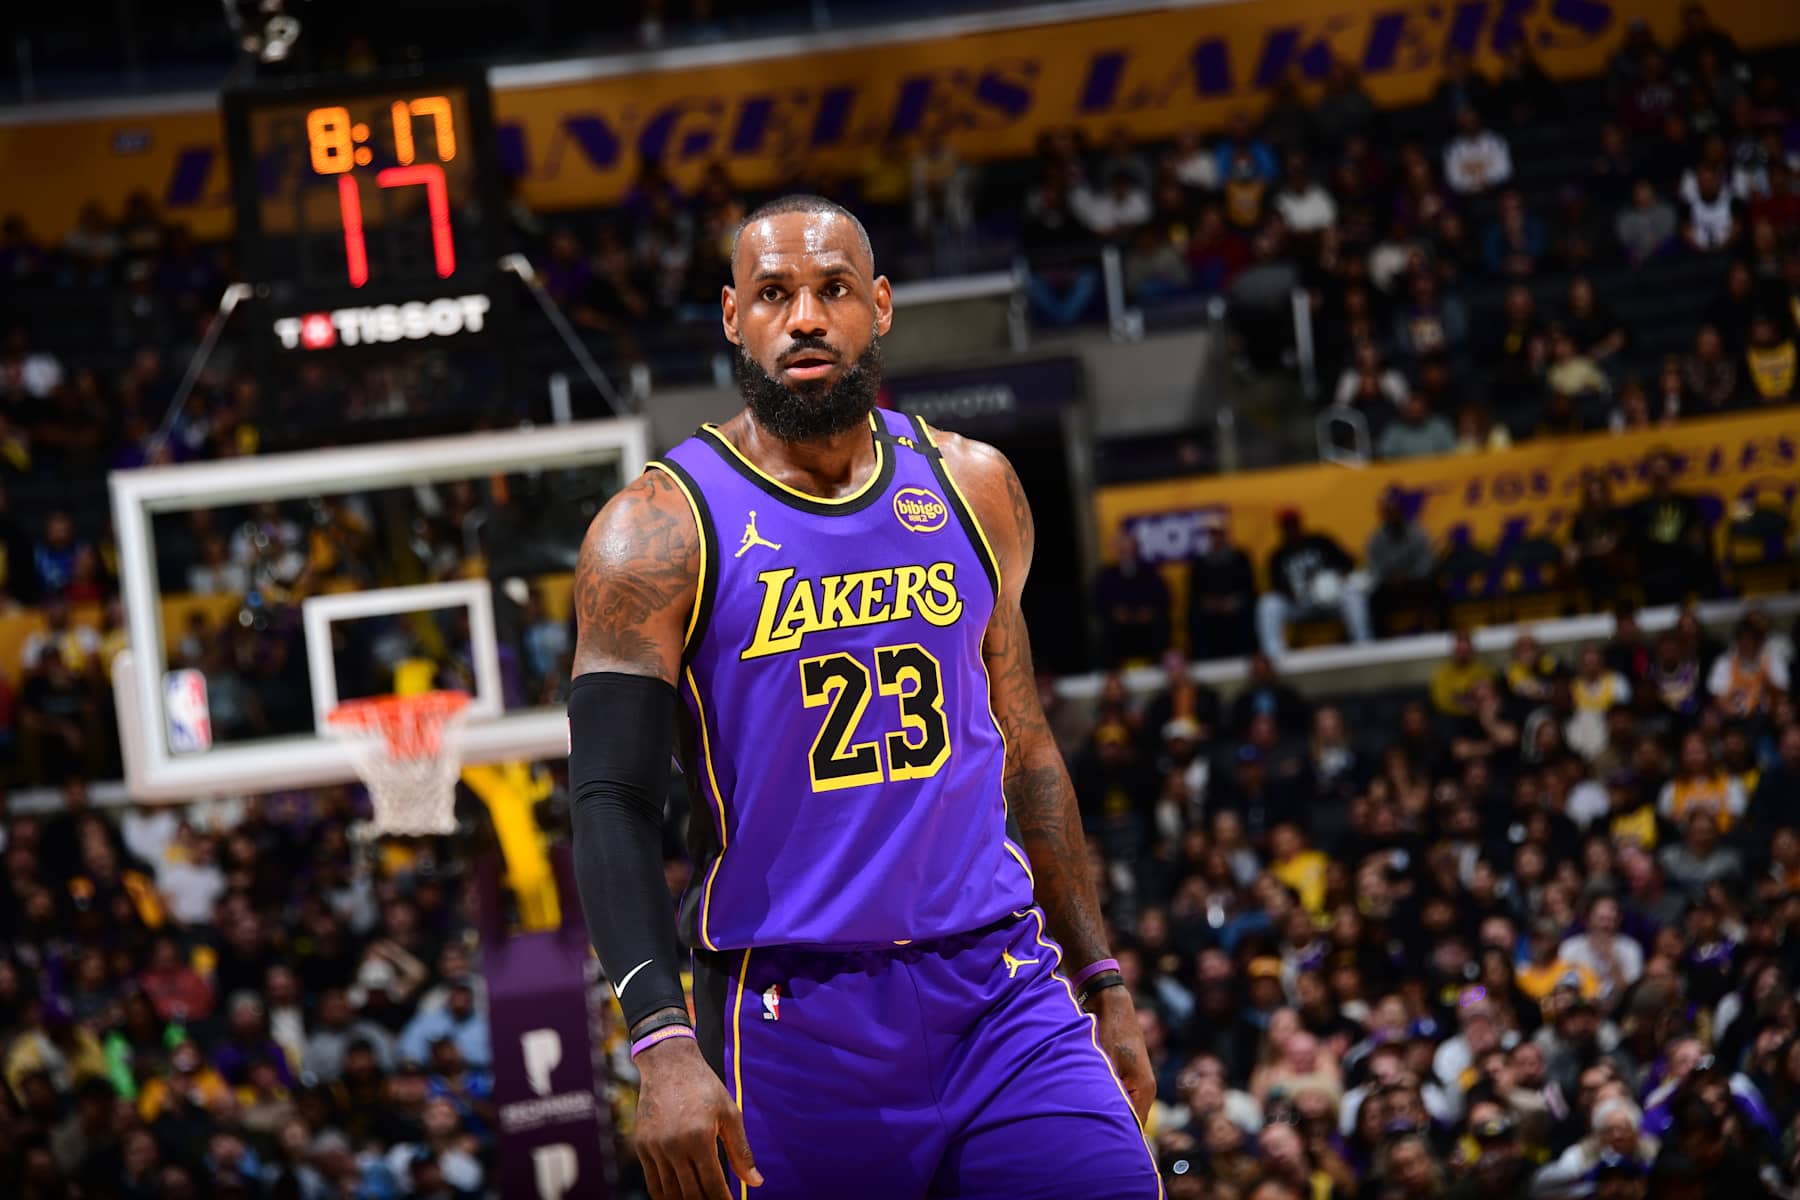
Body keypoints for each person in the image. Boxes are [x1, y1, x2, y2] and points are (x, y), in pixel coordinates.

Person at [567, 195, 1157, 1199]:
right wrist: (660, 1043)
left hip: (999, 991)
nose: (805, 316)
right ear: (731, 317)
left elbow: (1025, 749)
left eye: (833, 289)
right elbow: (609, 803)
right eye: (774, 293)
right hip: (794, 1012)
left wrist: (1101, 978)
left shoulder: (974, 486)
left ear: (878, 306)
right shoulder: (656, 531)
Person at [1256, 510, 1372, 658]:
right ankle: (1274, 655)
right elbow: (1276, 586)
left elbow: (1349, 562)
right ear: (1282, 529)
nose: (1291, 529)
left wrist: (1335, 577)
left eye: (1293, 524)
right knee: (1268, 603)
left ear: (1300, 524)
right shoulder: (1277, 556)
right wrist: (1292, 592)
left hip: (1331, 600)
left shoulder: (1321, 541)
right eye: (1287, 526)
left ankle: (1363, 645)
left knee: (1353, 594)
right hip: (1300, 604)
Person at [1185, 512, 1258, 662]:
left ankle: (1246, 656)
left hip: (1236, 606)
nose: (1215, 537)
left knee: (1247, 610)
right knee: (1195, 615)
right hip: (1210, 610)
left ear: (1225, 534)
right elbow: (1195, 594)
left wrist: (1232, 602)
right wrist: (1210, 604)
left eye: (1218, 533)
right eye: (1212, 533)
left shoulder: (1240, 557)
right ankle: (1203, 661)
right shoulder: (1200, 563)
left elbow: (1249, 588)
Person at [1094, 529, 1172, 666]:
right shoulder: (1107, 575)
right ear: (1117, 552)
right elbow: (1097, 603)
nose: (1127, 554)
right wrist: (1115, 613)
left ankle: (1161, 670)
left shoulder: (1150, 572)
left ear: (1137, 550)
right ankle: (1111, 677)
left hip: (1146, 626)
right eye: (1123, 550)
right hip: (1120, 628)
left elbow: (1164, 600)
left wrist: (1149, 612)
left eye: (1130, 550)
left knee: (1160, 627)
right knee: (1106, 634)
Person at [1364, 492, 1439, 633]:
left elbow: (1428, 561)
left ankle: (1441, 634)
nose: (1391, 516)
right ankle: (1383, 644)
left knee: (1437, 591)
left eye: (1394, 511)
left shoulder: (1417, 532)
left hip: (1416, 582)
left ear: (1401, 512)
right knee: (1375, 600)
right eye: (1388, 512)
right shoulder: (1375, 539)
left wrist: (1409, 577)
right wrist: (1389, 579)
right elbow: (1373, 567)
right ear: (1382, 515)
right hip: (1389, 586)